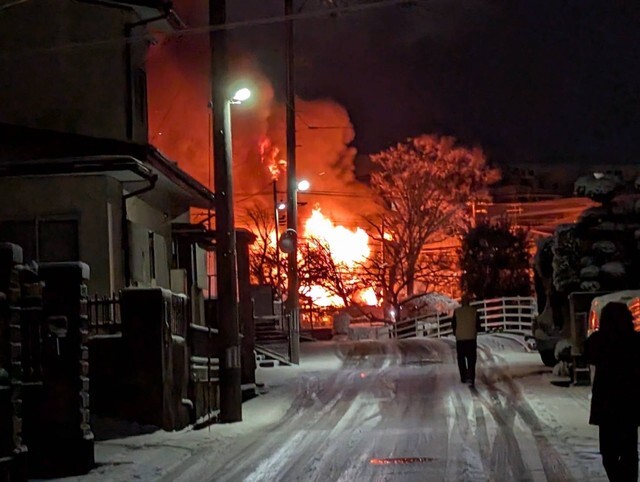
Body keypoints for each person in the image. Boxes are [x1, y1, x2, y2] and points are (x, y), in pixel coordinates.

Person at [585, 302, 640, 481]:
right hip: (630, 404)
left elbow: (588, 353)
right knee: (629, 451)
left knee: (609, 453)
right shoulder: (635, 340)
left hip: (607, 405)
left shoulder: (600, 340)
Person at [451, 297, 482, 387]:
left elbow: (453, 324)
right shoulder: (474, 311)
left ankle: (463, 377)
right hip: (471, 338)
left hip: (460, 339)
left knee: (461, 358)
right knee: (471, 358)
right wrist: (476, 330)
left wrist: (456, 333)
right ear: (469, 303)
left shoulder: (457, 312)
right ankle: (471, 376)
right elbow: (478, 324)